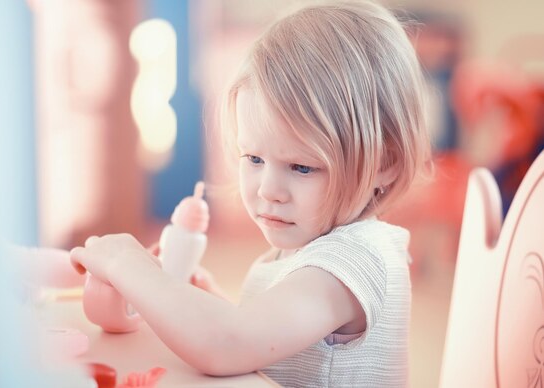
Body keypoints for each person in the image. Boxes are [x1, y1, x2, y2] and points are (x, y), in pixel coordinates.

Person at [71, 1, 431, 386]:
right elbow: (277, 349)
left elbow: (228, 344)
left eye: (302, 167)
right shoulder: (307, 244)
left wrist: (130, 266)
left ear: (384, 163)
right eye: (254, 158)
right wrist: (210, 305)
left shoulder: (352, 260)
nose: (268, 190)